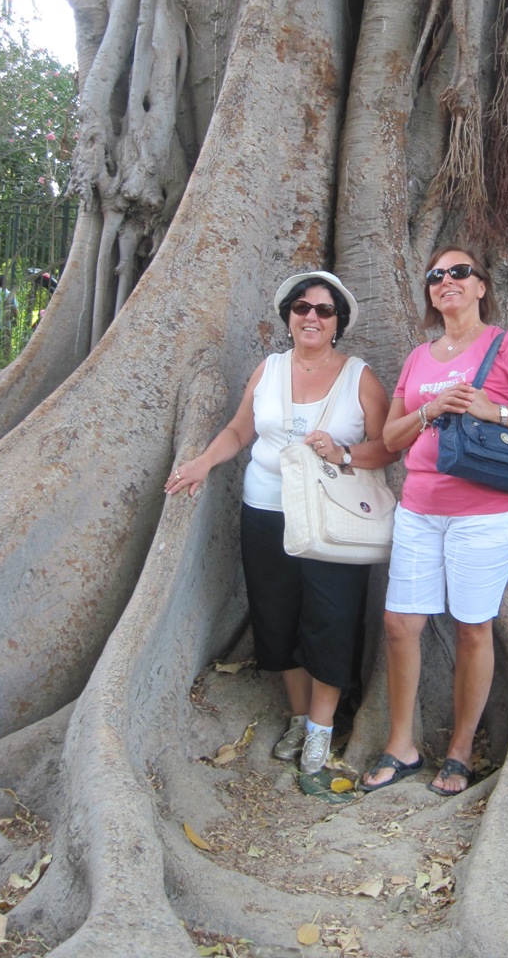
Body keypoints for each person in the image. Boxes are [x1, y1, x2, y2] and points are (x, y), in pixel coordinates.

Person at [165, 271, 397, 775]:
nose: (311, 316)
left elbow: (388, 447)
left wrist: (344, 451)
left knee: (330, 618)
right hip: (265, 511)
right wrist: (203, 463)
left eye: (323, 310)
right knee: (275, 615)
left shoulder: (360, 378)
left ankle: (321, 726)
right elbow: (239, 429)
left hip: (332, 521)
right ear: (288, 317)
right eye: (301, 307)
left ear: (338, 323)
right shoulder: (267, 370)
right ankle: (297, 716)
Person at [361, 246, 508, 795]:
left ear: (480, 285)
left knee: (473, 627)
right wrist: (430, 409)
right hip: (420, 510)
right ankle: (400, 744)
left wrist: (489, 409)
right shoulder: (419, 357)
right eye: (435, 275)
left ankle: (459, 751)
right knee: (401, 624)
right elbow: (390, 438)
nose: (446, 280)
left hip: (488, 514)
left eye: (459, 272)